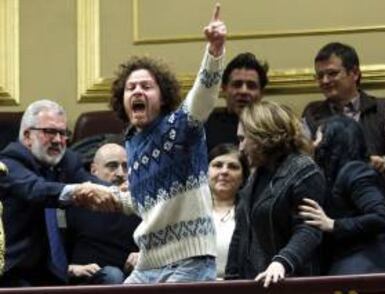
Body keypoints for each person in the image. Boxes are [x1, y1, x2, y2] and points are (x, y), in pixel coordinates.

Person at [108, 4, 226, 283]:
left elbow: (205, 93)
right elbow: (142, 202)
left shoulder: (181, 126)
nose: (137, 90)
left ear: (162, 98)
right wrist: (95, 194)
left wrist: (215, 51)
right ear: (122, 100)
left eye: (146, 86)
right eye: (131, 87)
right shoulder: (132, 143)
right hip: (148, 263)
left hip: (190, 261)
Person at [301, 42, 385, 256]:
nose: (324, 81)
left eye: (332, 73)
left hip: (378, 202)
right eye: (319, 75)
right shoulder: (311, 114)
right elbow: (300, 156)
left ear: (354, 73)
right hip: (329, 209)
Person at [0, 100, 118, 287]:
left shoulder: (66, 161)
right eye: (50, 132)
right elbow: (36, 190)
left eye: (63, 133)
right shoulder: (8, 163)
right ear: (27, 135)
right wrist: (78, 190)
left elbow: (91, 183)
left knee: (111, 276)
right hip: (15, 274)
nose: (58, 140)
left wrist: (118, 193)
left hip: (56, 274)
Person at [225, 101, 325, 287]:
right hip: (253, 283)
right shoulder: (255, 176)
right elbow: (241, 234)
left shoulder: (303, 170)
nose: (240, 148)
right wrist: (231, 281)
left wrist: (282, 262)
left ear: (262, 135)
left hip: (290, 283)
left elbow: (309, 228)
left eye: (243, 139)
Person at [299, 115, 385, 275]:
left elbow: (382, 218)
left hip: (363, 268)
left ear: (331, 141)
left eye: (317, 137)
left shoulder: (356, 171)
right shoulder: (334, 174)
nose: (314, 144)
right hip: (348, 264)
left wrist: (333, 224)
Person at [65, 143, 141, 285]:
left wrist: (143, 255)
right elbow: (54, 251)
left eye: (125, 166)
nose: (120, 173)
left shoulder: (139, 202)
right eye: (112, 166)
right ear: (94, 170)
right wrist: (71, 268)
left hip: (134, 277)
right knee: (113, 275)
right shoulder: (77, 200)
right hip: (86, 279)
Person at [204, 52, 268, 151]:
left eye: (251, 86)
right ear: (224, 89)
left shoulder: (271, 128)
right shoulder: (205, 127)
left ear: (261, 93)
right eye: (237, 84)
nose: (243, 91)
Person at [208, 143, 248, 279]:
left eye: (233, 167)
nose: (224, 171)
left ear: (243, 178)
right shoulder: (190, 212)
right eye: (217, 165)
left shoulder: (252, 213)